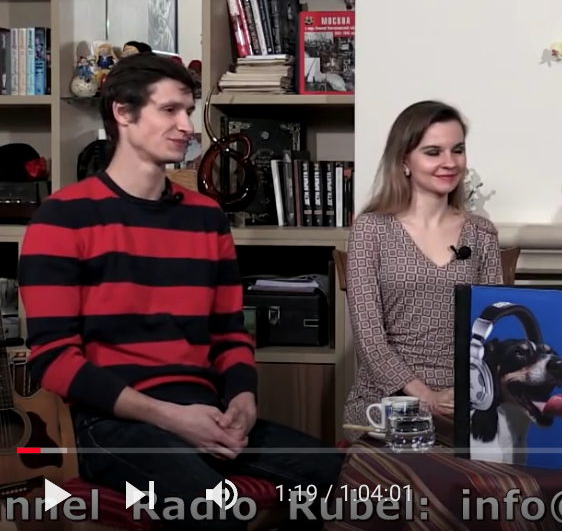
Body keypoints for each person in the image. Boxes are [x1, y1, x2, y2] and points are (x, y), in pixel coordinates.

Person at [18, 54, 342, 531]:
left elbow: (230, 334)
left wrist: (243, 399)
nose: (187, 126)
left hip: (206, 413)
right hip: (112, 423)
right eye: (169, 110)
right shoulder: (63, 218)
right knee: (216, 511)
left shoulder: (205, 217)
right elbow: (53, 359)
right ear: (123, 113)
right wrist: (169, 417)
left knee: (350, 484)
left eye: (188, 111)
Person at [343, 100, 502, 439]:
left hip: (464, 400)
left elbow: (493, 331)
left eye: (457, 150)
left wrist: (468, 394)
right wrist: (425, 396)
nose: (450, 162)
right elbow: (369, 338)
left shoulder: (482, 233)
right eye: (433, 152)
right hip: (385, 403)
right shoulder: (371, 230)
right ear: (404, 160)